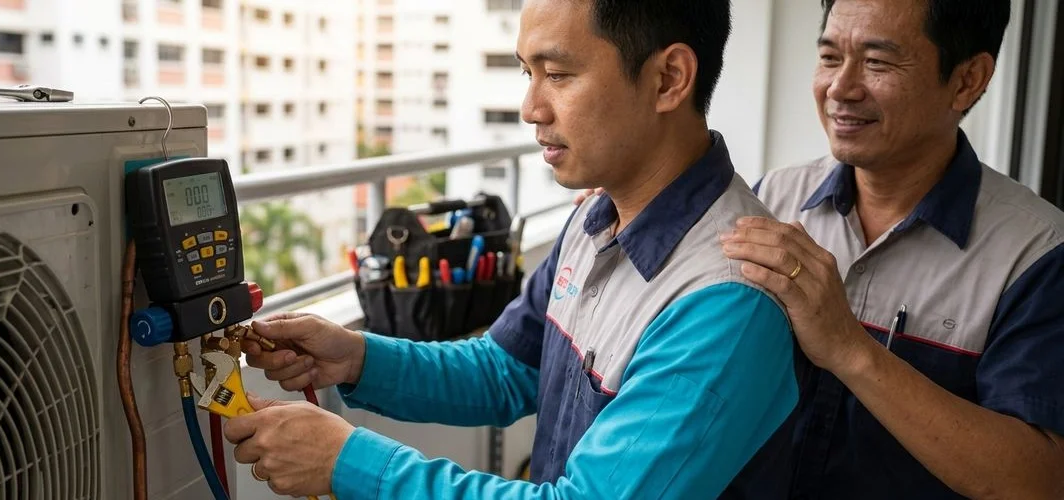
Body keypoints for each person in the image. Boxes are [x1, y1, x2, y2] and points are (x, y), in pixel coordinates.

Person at [222, 1, 801, 499]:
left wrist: (347, 463)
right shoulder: (597, 219)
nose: (531, 108)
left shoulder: (727, 299)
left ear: (669, 78)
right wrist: (356, 357)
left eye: (558, 75)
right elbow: (507, 369)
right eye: (528, 72)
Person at [580, 0, 1064, 497]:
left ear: (968, 80)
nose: (840, 88)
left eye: (877, 62)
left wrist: (849, 348)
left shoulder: (1036, 254)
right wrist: (632, 201)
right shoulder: (771, 200)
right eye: (831, 57)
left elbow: (1040, 479)